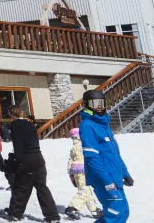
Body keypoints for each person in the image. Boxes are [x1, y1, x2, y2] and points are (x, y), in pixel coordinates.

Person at [79, 90, 132, 223]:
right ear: (86, 104)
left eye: (101, 103)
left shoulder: (103, 125)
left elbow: (114, 154)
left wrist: (125, 173)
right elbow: (92, 158)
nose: (99, 107)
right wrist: (106, 181)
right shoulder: (87, 125)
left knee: (122, 211)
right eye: (94, 103)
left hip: (115, 176)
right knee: (116, 213)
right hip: (103, 179)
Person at [3, 106, 59, 222]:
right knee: (41, 187)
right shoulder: (29, 123)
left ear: (11, 114)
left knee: (22, 186)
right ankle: (52, 216)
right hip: (38, 156)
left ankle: (15, 213)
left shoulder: (15, 124)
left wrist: (17, 159)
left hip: (26, 157)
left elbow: (18, 143)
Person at [64, 127, 102, 220]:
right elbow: (91, 158)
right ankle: (72, 207)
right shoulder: (85, 146)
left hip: (76, 172)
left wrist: (71, 175)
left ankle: (94, 210)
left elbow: (70, 161)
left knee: (86, 190)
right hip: (85, 170)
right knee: (84, 191)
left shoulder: (73, 148)